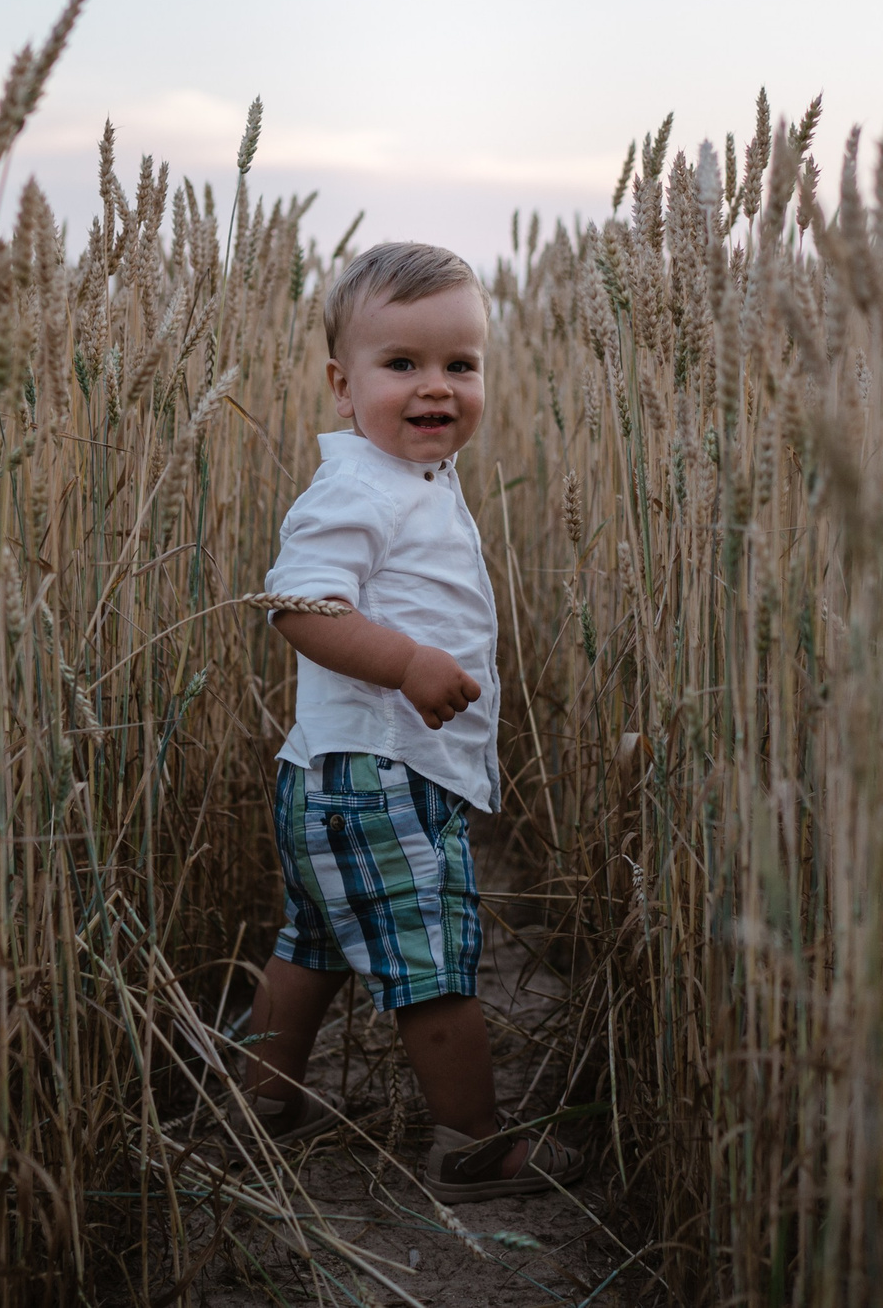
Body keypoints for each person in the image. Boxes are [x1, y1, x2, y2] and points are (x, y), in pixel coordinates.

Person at [241, 240, 583, 1203]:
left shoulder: (416, 479)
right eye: (403, 365)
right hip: (373, 770)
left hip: (345, 771)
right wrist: (408, 662)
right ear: (342, 387)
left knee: (310, 942)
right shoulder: (355, 485)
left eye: (459, 365)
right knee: (433, 955)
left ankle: (261, 1103)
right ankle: (472, 1142)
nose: (436, 386)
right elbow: (298, 605)